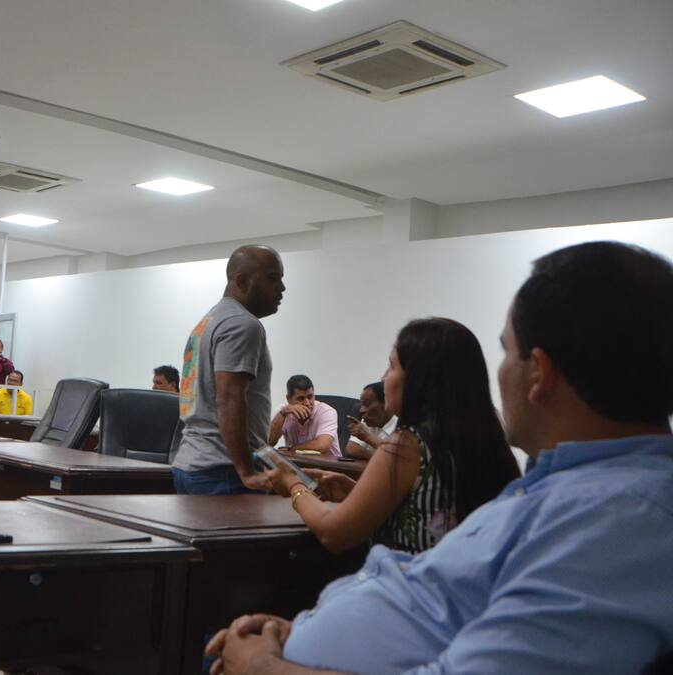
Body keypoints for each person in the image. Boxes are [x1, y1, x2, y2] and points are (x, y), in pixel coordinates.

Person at [206, 241, 673, 675]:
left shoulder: (615, 521)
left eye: (507, 351)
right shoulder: (565, 489)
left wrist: (265, 667)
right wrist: (298, 631)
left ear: (539, 373)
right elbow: (444, 597)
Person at [268, 319, 519, 554]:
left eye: (391, 366)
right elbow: (426, 510)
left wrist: (294, 485)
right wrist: (354, 493)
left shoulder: (408, 445)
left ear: (418, 380)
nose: (383, 377)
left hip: (408, 582)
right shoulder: (485, 440)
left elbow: (333, 532)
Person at [171, 245, 284, 495]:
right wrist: (246, 472)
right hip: (224, 471)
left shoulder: (209, 321)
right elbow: (229, 398)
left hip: (192, 464)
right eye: (272, 278)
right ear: (242, 281)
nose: (282, 288)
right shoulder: (243, 325)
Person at [267, 375, 341, 457]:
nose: (307, 403)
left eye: (310, 397)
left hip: (327, 463)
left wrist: (292, 448)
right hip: (297, 461)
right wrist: (282, 414)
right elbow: (269, 442)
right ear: (288, 399)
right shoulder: (283, 411)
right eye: (301, 399)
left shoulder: (327, 412)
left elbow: (322, 446)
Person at [343, 381, 396, 460]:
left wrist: (368, 437)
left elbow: (397, 457)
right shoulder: (370, 421)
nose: (361, 410)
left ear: (386, 404)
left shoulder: (402, 427)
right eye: (362, 404)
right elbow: (351, 449)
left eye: (367, 404)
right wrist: (381, 459)